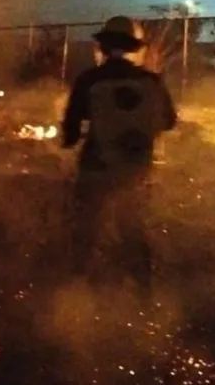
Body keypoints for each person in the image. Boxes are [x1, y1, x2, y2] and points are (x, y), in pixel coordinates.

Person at [61, 15, 178, 301]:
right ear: (136, 47)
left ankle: (77, 294)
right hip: (136, 170)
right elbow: (169, 122)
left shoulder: (89, 80)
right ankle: (143, 296)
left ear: (102, 47)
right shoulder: (152, 81)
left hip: (96, 168)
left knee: (86, 230)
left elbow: (71, 132)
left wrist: (71, 139)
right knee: (133, 229)